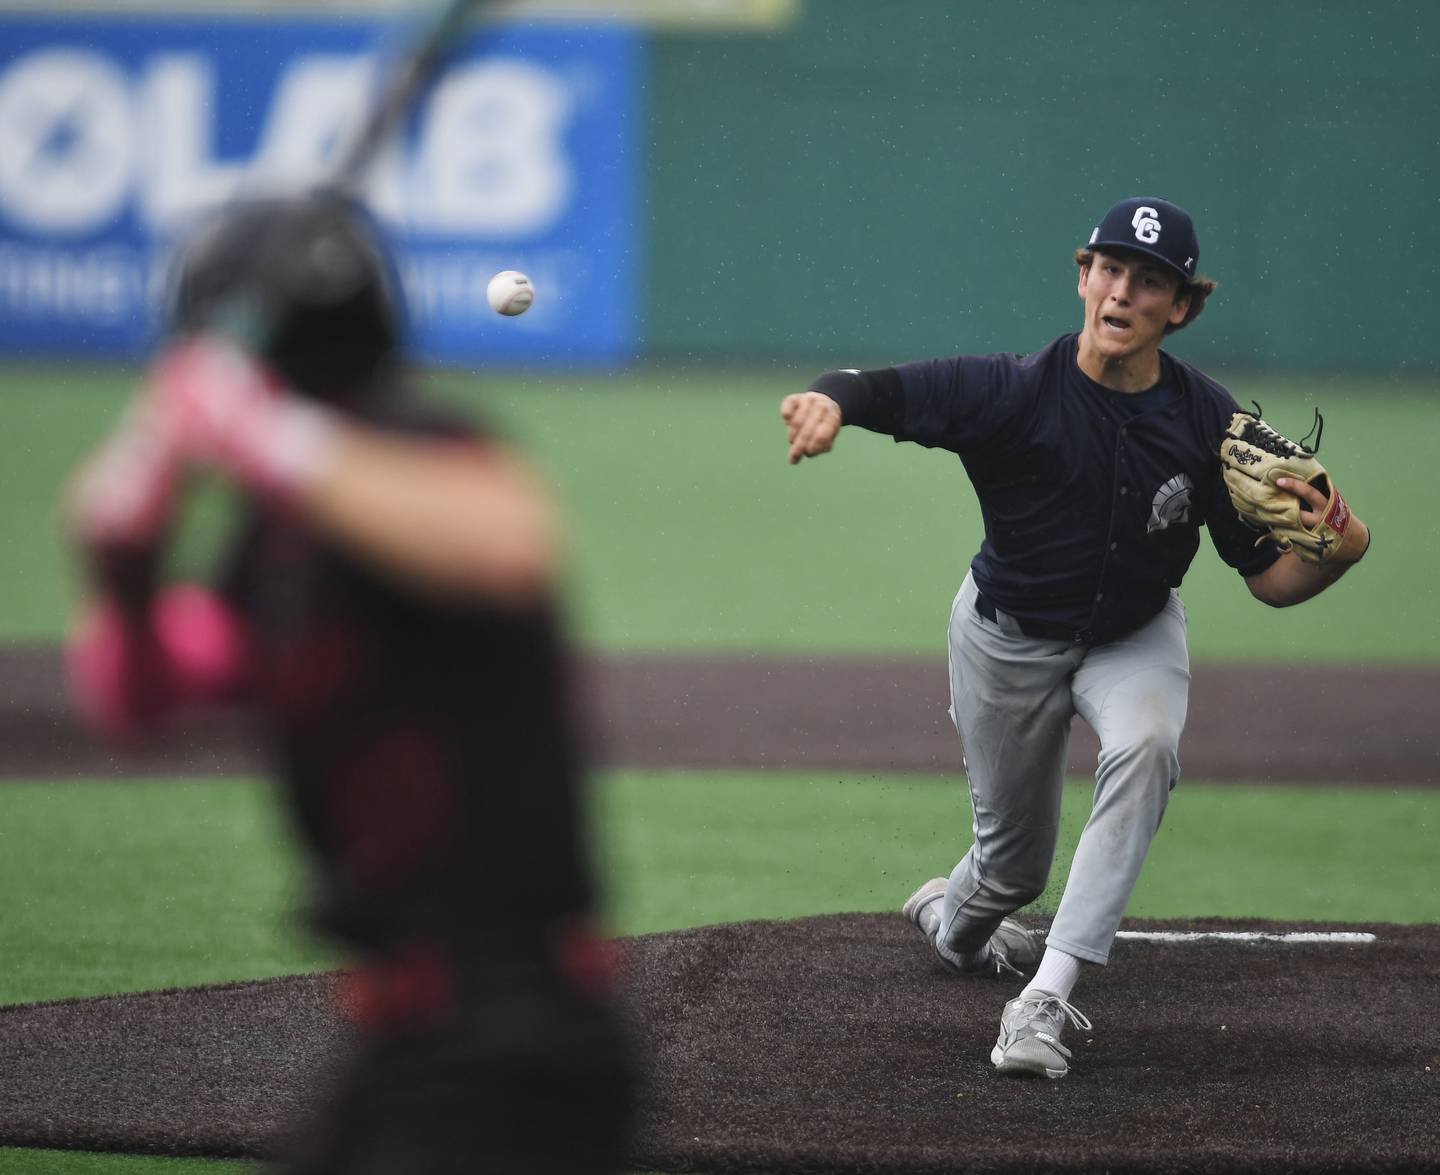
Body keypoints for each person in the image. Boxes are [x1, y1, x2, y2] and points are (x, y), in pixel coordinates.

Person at [63, 191, 636, 1169]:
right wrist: (126, 577)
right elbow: (140, 696)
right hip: (409, 1035)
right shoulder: (281, 530)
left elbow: (509, 544)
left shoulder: (419, 448)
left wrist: (259, 434)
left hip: (517, 1031)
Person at [779, 196, 1370, 1079]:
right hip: (1005, 639)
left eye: (1152, 281)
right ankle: (957, 920)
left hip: (1134, 632)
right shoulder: (1012, 391)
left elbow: (1269, 583)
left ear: (1182, 307)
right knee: (1011, 870)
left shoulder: (1208, 422)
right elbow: (880, 389)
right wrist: (827, 403)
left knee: (1147, 744)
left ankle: (1046, 998)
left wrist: (1344, 552)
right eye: (1112, 269)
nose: (1125, 292)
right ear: (1084, 276)